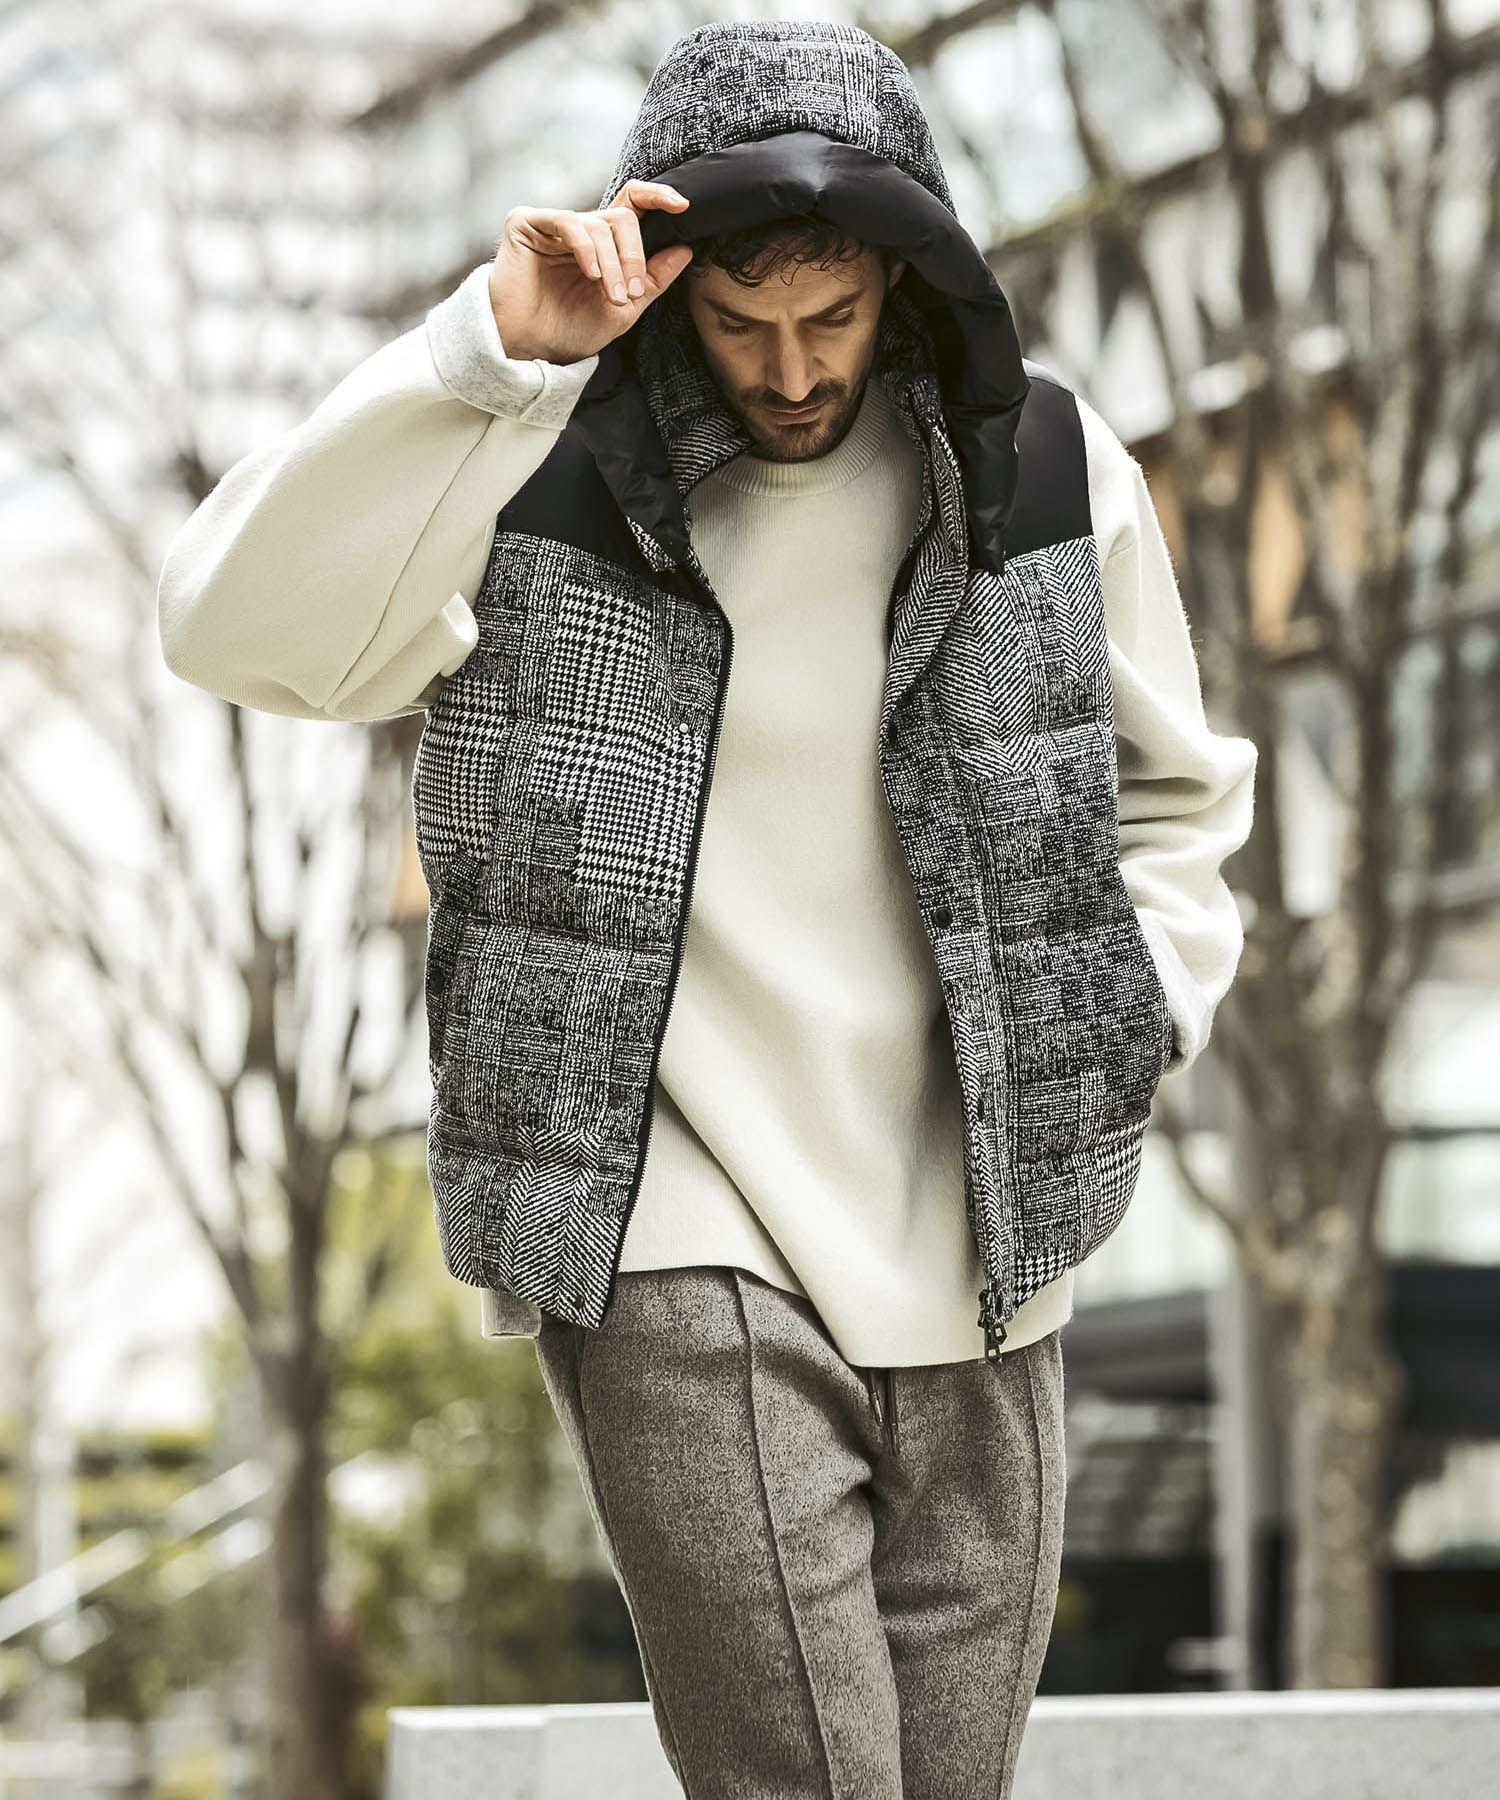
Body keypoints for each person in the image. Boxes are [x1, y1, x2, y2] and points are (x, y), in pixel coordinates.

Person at [156, 18, 1257, 1798]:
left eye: (831, 318)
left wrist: (1135, 1020)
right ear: (675, 296)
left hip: (991, 1246)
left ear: (902, 287)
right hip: (669, 1227)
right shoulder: (539, 471)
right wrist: (492, 353)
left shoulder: (1053, 471)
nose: (791, 369)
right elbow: (232, 631)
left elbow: (1178, 793)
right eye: (743, 325)